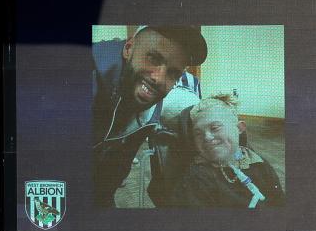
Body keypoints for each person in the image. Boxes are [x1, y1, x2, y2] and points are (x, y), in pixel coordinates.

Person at [92, 24, 207, 207]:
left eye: (173, 73)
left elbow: (111, 174)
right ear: (129, 48)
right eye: (153, 58)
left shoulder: (149, 104)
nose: (159, 79)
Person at [147, 95, 283, 209]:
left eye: (215, 128)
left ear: (240, 128)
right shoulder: (197, 178)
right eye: (198, 133)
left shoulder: (259, 164)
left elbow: (279, 203)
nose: (206, 137)